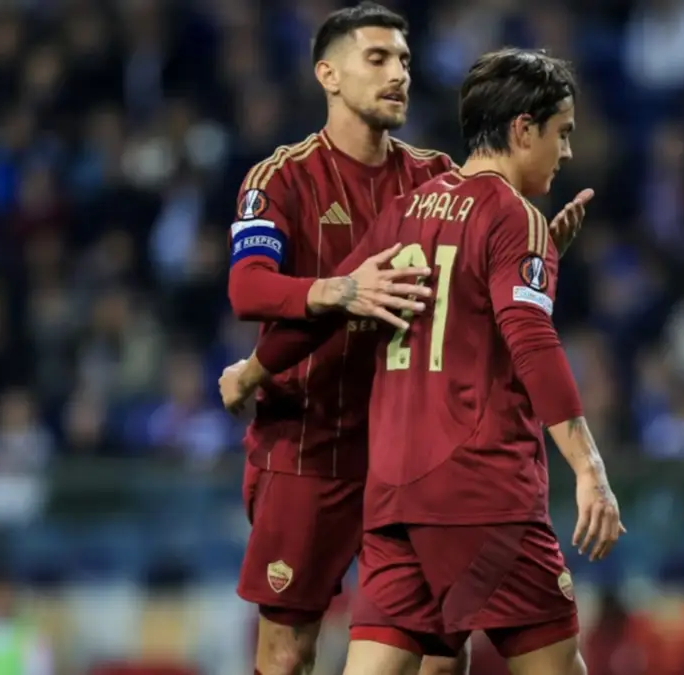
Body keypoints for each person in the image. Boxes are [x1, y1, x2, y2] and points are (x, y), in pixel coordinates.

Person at [225, 47, 624, 675]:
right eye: (562, 132)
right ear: (523, 130)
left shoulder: (406, 210)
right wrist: (588, 466)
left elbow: (336, 305)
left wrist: (253, 369)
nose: (567, 151)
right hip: (483, 492)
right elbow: (532, 342)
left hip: (394, 498)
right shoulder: (514, 217)